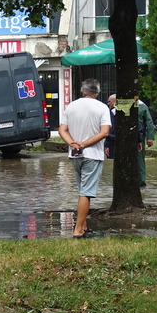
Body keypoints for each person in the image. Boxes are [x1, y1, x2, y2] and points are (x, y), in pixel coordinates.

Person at [58, 79, 111, 239]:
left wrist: (73, 144)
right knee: (86, 193)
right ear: (97, 92)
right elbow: (104, 133)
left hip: (75, 155)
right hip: (92, 154)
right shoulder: (102, 107)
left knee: (82, 190)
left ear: (82, 90)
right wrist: (84, 144)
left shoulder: (71, 106)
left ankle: (85, 227)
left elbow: (62, 130)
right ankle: (78, 229)